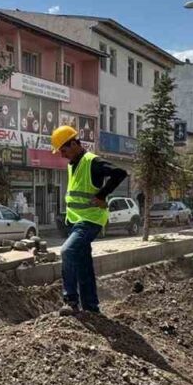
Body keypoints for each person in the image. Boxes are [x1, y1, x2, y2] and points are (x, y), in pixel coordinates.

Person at [50, 124, 128, 315]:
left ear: (73, 144)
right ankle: (91, 308)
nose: (62, 155)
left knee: (67, 251)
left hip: (90, 220)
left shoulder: (92, 161)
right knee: (83, 264)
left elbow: (120, 173)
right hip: (76, 221)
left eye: (63, 150)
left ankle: (70, 301)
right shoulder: (73, 165)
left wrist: (101, 195)